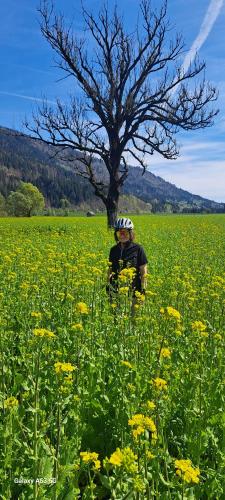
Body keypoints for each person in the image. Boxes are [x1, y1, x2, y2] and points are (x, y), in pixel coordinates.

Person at [106, 218, 148, 308]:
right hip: (116, 291)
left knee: (133, 320)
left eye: (124, 232)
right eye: (119, 233)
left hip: (134, 292)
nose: (122, 235)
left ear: (130, 233)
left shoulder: (138, 249)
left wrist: (143, 290)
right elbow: (110, 270)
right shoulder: (113, 250)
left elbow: (144, 272)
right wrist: (108, 286)